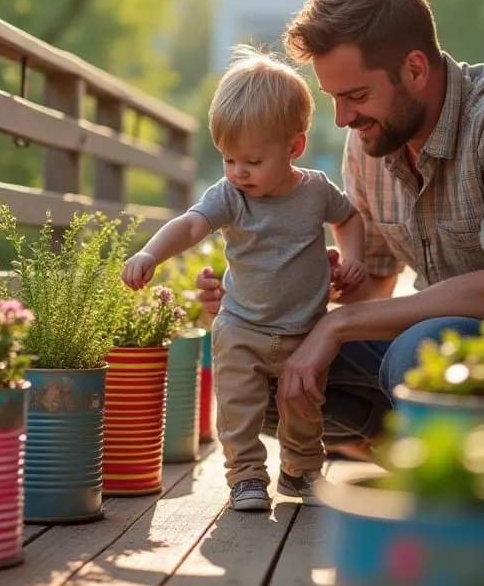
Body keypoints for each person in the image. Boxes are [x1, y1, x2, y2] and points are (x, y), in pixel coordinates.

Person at [198, 0, 484, 454]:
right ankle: (417, 457)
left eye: (356, 95)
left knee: (421, 349)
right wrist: (257, 304)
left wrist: (338, 325)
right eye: (333, 99)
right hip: (436, 359)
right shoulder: (370, 143)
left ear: (416, 69)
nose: (342, 119)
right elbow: (373, 291)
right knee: (266, 367)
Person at [121, 45, 368, 511]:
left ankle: (301, 471)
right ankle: (247, 476)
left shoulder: (315, 189)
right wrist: (152, 251)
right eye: (228, 160)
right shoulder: (231, 195)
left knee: (304, 405)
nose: (238, 172)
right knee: (239, 408)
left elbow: (348, 218)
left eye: (251, 161)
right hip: (241, 327)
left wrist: (352, 256)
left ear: (294, 148)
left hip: (304, 330)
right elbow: (192, 224)